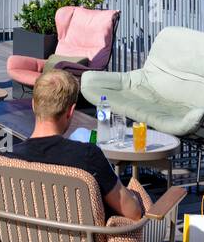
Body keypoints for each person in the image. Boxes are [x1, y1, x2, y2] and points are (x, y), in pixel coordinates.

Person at [8, 69, 143, 221]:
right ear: (70, 111)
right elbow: (133, 213)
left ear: (33, 105)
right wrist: (135, 197)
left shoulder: (6, 161)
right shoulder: (88, 156)